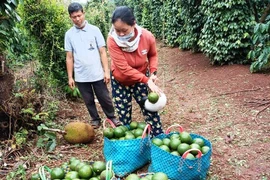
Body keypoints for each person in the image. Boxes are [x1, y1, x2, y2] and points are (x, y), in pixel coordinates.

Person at [107, 6, 164, 136]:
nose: (120, 34)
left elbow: (153, 55)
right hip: (121, 80)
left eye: (124, 30)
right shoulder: (112, 40)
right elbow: (124, 68)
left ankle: (158, 138)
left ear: (133, 24)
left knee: (150, 108)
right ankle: (129, 144)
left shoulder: (147, 36)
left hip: (141, 78)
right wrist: (147, 80)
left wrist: (153, 73)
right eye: (117, 30)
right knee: (123, 114)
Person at [64, 2, 122, 129]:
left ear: (83, 13)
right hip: (81, 75)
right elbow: (69, 56)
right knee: (88, 99)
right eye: (74, 17)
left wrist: (106, 71)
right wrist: (70, 77)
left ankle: (111, 117)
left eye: (79, 15)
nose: (77, 19)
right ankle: (95, 119)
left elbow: (102, 52)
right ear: (70, 17)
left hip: (97, 73)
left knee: (104, 97)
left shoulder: (94, 30)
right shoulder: (69, 34)